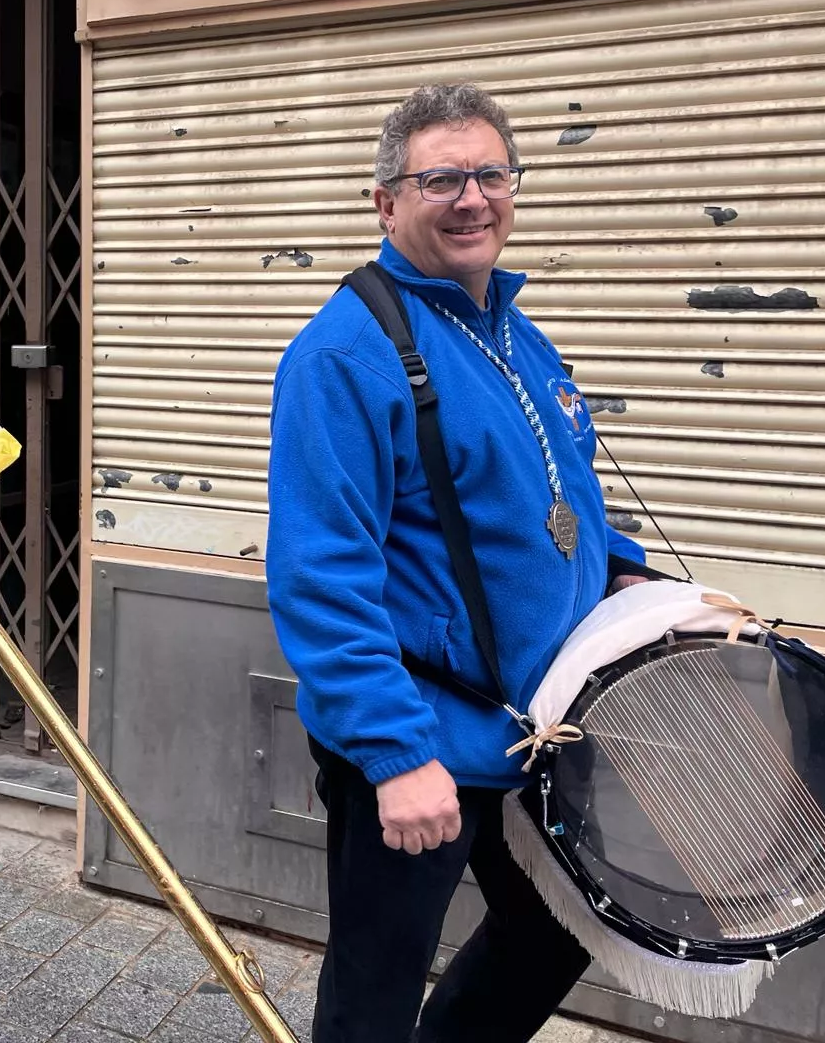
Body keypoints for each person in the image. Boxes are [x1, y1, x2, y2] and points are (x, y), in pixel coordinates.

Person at [265, 84, 660, 1043]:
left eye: (490, 174)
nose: (471, 198)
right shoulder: (345, 356)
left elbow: (554, 491)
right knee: (377, 985)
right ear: (386, 202)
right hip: (423, 732)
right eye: (440, 178)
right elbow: (320, 576)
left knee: (556, 933)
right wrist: (396, 755)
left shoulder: (515, 331)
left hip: (539, 727)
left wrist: (623, 570)